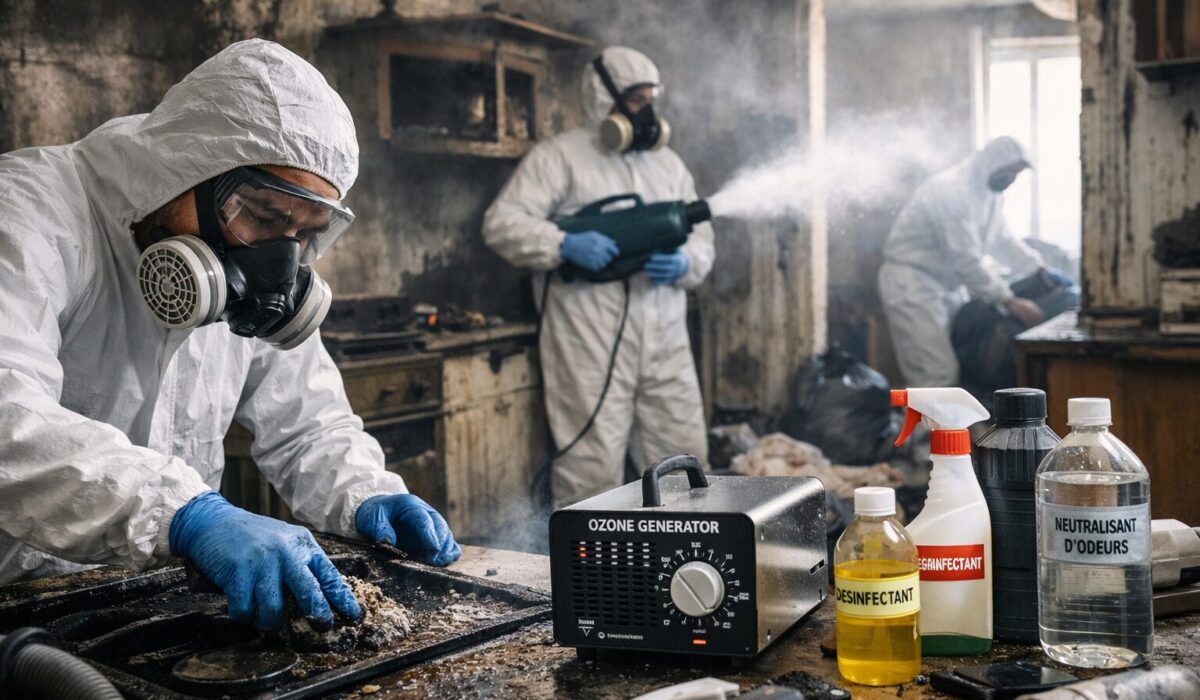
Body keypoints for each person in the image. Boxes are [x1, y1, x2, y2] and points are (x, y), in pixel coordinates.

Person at [0, 40, 459, 631]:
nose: (276, 257)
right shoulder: (29, 214)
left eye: (304, 231)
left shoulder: (250, 284)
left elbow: (308, 422)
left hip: (150, 600)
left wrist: (363, 491)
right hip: (15, 602)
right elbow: (9, 417)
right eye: (265, 217)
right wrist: (187, 514)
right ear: (189, 166)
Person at [483, 46, 714, 508]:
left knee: (684, 460)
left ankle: (684, 568)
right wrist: (562, 244)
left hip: (665, 335)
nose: (645, 112)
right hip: (588, 335)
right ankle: (599, 576)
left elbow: (704, 238)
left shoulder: (668, 165)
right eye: (634, 101)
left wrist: (688, 262)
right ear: (601, 98)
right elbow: (501, 224)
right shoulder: (559, 158)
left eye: (650, 100)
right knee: (591, 469)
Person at [878, 136, 1048, 388]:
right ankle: (925, 429)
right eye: (1010, 170)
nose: (1012, 178)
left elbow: (1001, 241)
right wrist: (1009, 300)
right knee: (935, 373)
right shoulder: (952, 191)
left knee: (960, 366)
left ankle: (952, 427)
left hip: (947, 288)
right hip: (914, 286)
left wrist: (1038, 267)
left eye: (1017, 174)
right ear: (994, 162)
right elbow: (966, 260)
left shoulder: (988, 195)